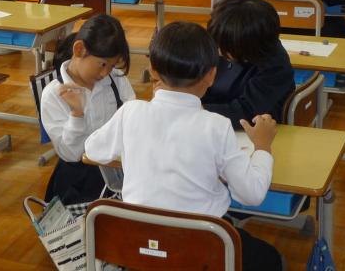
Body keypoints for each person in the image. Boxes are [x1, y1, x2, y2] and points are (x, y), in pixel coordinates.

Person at [85, 21, 282, 271]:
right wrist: (263, 147)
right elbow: (251, 194)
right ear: (211, 75)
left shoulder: (131, 112)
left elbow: (93, 150)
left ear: (153, 70)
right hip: (199, 249)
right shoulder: (217, 126)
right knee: (270, 258)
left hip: (139, 246)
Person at [40, 14, 134, 206]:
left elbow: (132, 124)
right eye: (102, 64)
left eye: (111, 66)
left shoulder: (116, 80)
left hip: (116, 170)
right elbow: (71, 154)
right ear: (79, 49)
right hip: (78, 181)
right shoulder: (53, 94)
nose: (105, 73)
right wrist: (77, 114)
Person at [204, 0, 295, 125]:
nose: (218, 51)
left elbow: (246, 112)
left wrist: (196, 110)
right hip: (213, 120)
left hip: (253, 128)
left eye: (225, 47)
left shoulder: (275, 67)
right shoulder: (225, 42)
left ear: (247, 47)